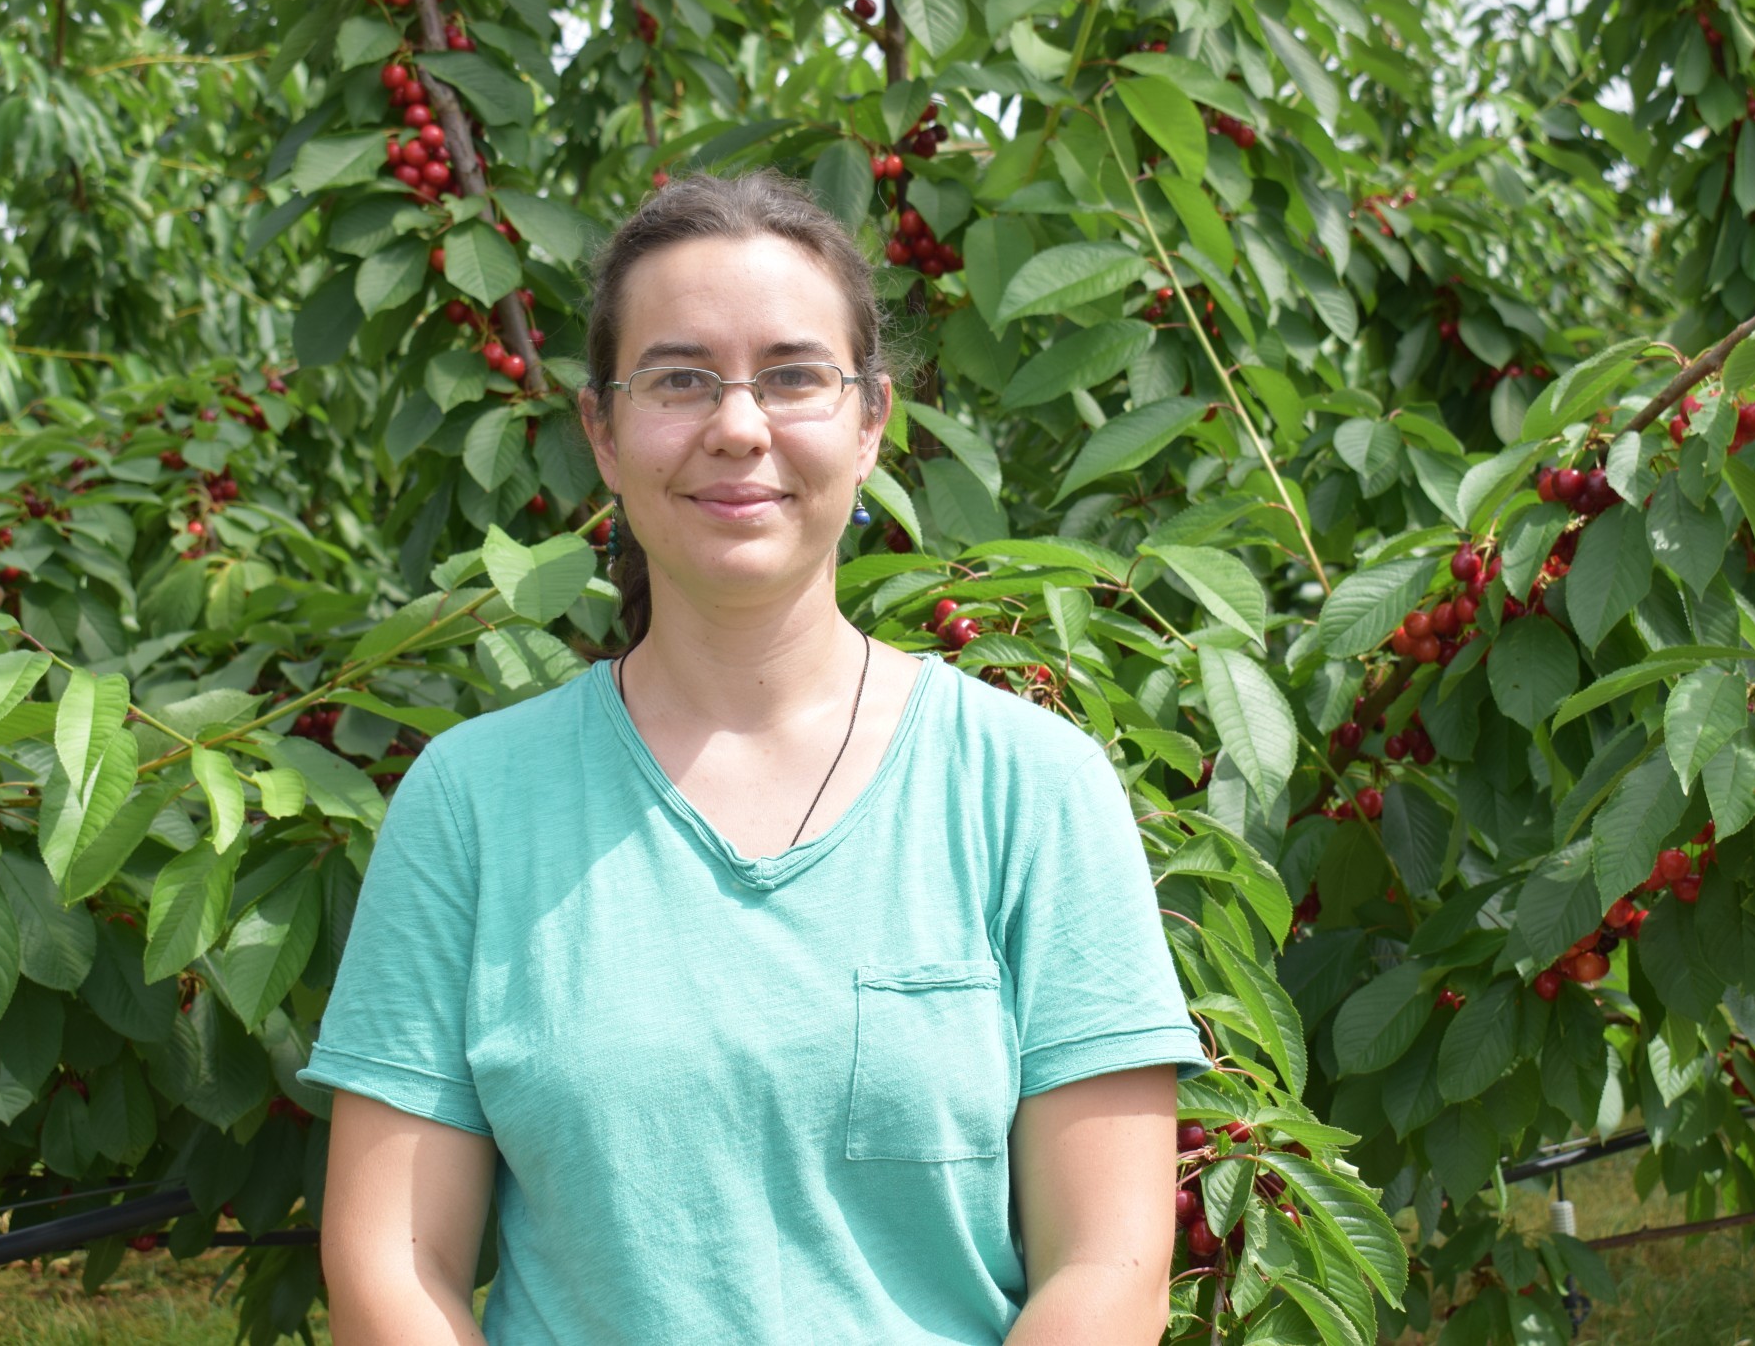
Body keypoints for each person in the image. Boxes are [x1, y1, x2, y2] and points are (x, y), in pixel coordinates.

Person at [297, 169, 1209, 1345]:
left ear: (871, 421)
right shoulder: (471, 802)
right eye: (679, 379)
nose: (737, 426)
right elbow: (391, 1260)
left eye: (791, 377)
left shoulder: (1032, 792)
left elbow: (1108, 1270)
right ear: (603, 434)